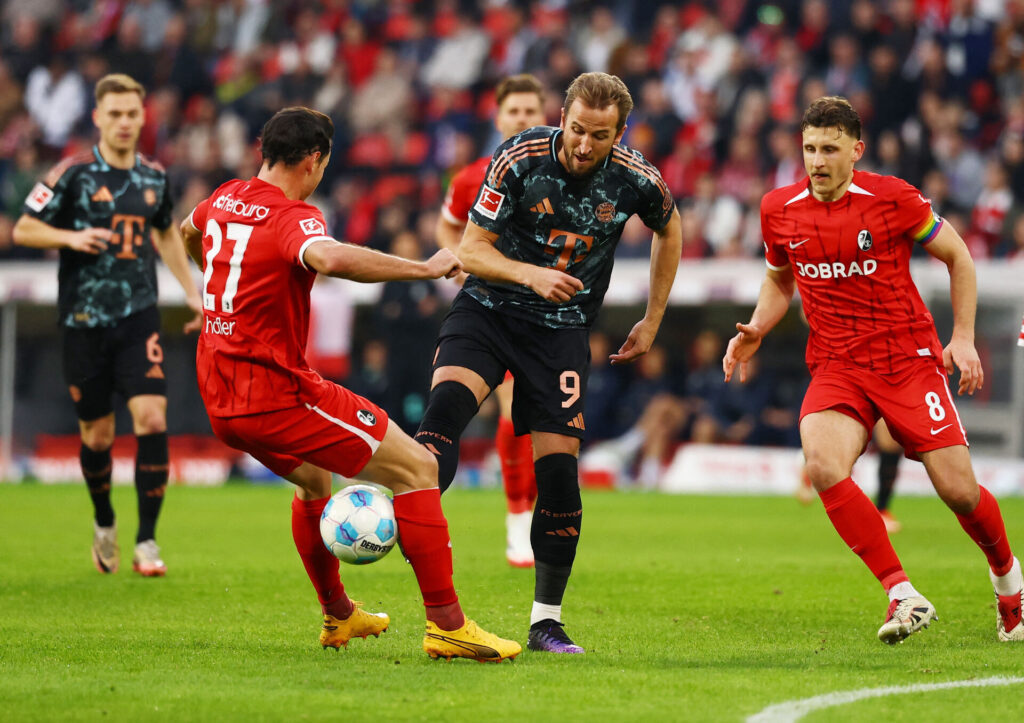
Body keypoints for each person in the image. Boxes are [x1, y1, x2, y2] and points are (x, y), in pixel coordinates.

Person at [178, 106, 520, 662]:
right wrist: (425, 268)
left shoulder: (221, 197)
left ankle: (340, 615)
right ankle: (449, 626)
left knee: (313, 481)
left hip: (219, 394)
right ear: (314, 160)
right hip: (276, 393)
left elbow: (189, 231)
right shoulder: (295, 217)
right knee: (418, 468)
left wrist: (212, 285)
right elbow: (330, 257)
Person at [723, 96, 1023, 644]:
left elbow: (959, 256)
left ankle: (1010, 584)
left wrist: (962, 337)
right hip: (836, 363)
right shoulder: (778, 208)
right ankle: (902, 593)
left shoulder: (893, 199)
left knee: (958, 491)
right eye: (810, 148)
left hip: (906, 359)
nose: (817, 160)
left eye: (830, 149)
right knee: (822, 462)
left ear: (856, 151)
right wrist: (758, 327)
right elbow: (779, 279)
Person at [415, 72, 682, 653]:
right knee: (442, 417)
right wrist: (530, 274)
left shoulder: (637, 179)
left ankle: (545, 622)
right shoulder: (519, 156)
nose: (585, 145)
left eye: (601, 135)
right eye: (578, 130)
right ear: (562, 117)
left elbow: (670, 225)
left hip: (560, 333)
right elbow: (471, 249)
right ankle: (426, 580)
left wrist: (652, 318)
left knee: (559, 473)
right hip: (487, 311)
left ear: (622, 132)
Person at [12, 73, 203, 578]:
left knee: (152, 419)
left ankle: (146, 540)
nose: (123, 122)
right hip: (82, 321)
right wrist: (69, 239)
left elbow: (165, 234)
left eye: (131, 114)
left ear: (143, 118)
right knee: (97, 436)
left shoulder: (153, 178)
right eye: (114, 113)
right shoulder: (71, 173)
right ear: (97, 117)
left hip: (138, 316)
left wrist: (192, 291)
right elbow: (22, 227)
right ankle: (104, 523)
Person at [435, 73, 546, 568]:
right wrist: (457, 262)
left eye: (530, 112)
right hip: (492, 308)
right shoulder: (469, 177)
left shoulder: (560, 171)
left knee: (541, 422)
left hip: (548, 311)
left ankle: (529, 514)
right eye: (514, 112)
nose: (522, 120)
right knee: (508, 411)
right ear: (499, 118)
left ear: (545, 117)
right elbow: (450, 224)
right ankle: (517, 520)